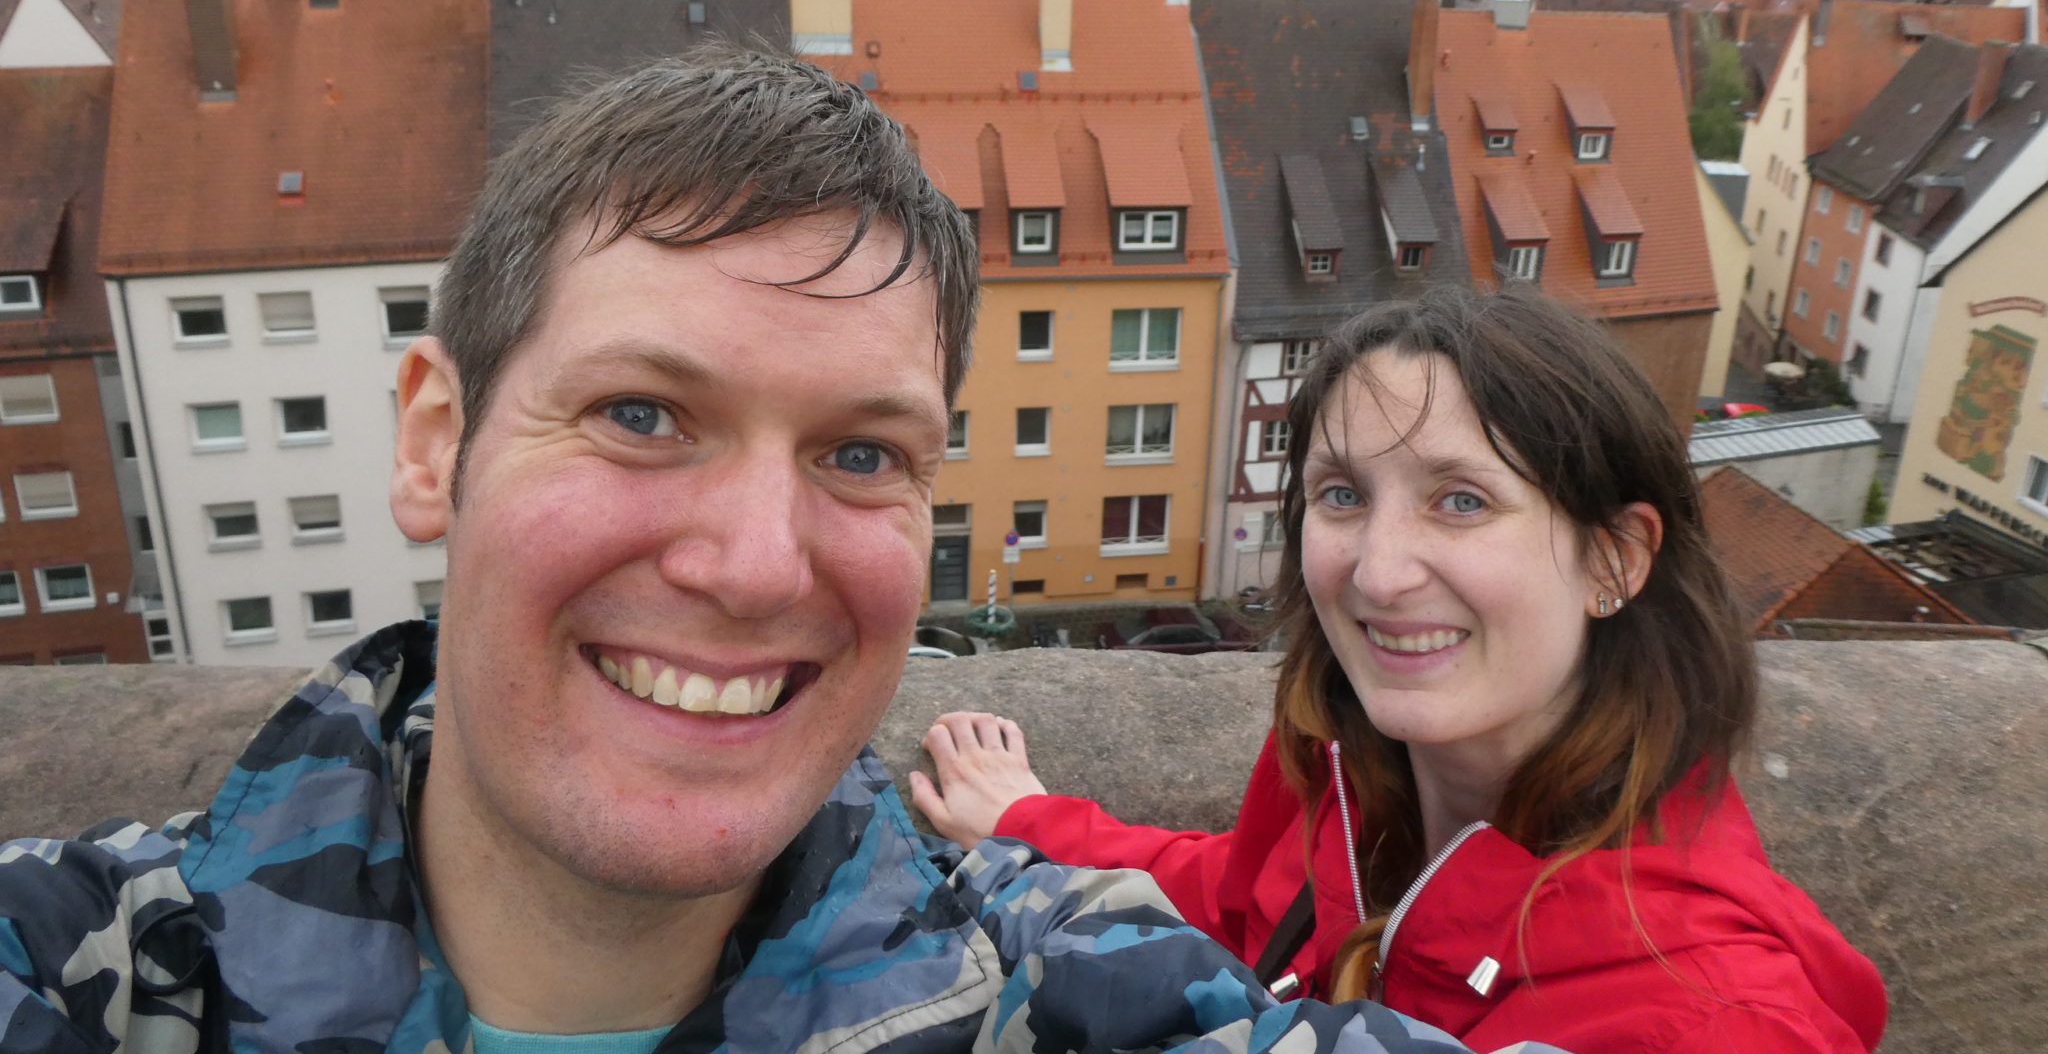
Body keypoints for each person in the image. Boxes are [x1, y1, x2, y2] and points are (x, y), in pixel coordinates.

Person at [0, 52, 1553, 1054]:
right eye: (639, 414)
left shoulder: (1067, 1005)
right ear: (433, 445)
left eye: (860, 455)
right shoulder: (80, 980)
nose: (754, 566)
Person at [914, 288, 1888, 1053]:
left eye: (1459, 500)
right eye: (1341, 494)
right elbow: (1238, 901)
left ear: (1612, 559)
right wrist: (1027, 827)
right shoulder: (1347, 784)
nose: (1376, 571)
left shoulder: (1714, 1025)